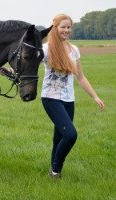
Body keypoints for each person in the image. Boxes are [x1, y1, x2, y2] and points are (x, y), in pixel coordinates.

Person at [41, 14, 105, 178]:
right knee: (70, 134)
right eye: (63, 27)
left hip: (69, 99)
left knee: (60, 136)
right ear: (55, 27)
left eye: (69, 27)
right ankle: (56, 171)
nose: (66, 30)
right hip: (51, 98)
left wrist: (95, 97)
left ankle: (52, 170)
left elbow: (81, 77)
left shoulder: (74, 50)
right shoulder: (46, 49)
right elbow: (28, 63)